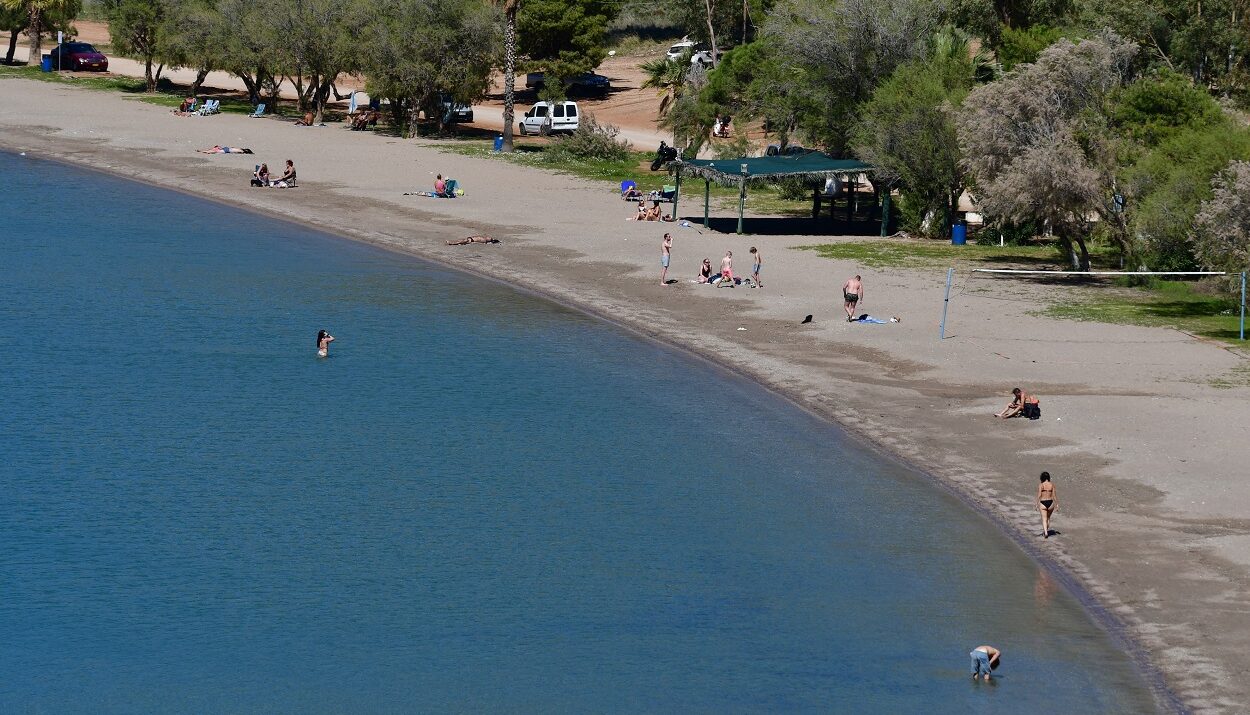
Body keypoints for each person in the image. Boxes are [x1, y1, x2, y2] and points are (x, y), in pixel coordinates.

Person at [1037, 471, 1057, 538]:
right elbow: (1054, 495)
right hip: (1050, 502)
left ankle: (1045, 533)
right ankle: (1046, 531)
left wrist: (1036, 504)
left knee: (1044, 519)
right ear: (1048, 477)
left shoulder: (1041, 485)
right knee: (1048, 518)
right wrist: (1057, 504)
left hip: (1043, 502)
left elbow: (1039, 495)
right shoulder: (1052, 485)